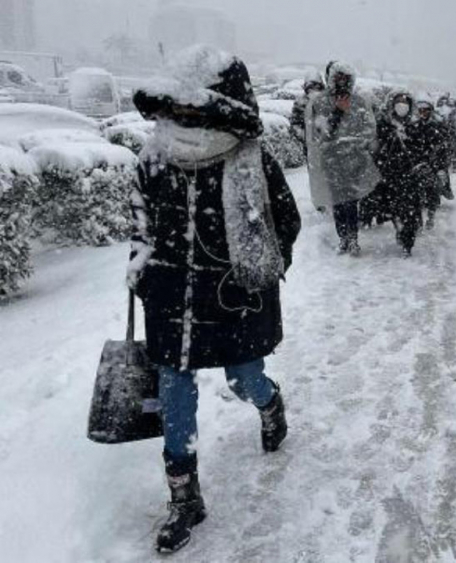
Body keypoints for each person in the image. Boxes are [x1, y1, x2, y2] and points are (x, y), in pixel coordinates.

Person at [129, 45, 301, 554]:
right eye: (177, 108)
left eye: (193, 108)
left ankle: (270, 404)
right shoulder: (154, 157)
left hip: (233, 299)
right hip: (171, 300)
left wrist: (258, 273)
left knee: (243, 378)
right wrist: (142, 271)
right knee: (174, 391)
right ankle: (184, 497)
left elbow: (284, 223)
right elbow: (140, 224)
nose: (183, 117)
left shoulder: (249, 159)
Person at [305, 61, 379, 256]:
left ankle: (353, 239)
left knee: (351, 201)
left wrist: (358, 144)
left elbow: (369, 129)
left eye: (346, 79)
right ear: (330, 79)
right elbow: (321, 132)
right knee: (337, 201)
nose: (342, 82)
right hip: (332, 160)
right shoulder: (320, 102)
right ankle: (343, 238)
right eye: (338, 78)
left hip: (354, 160)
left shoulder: (360, 102)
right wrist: (338, 112)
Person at [374, 90, 423, 255]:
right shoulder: (384, 123)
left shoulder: (416, 125)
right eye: (398, 102)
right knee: (393, 208)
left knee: (410, 210)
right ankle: (399, 227)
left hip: (410, 174)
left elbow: (421, 149)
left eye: (405, 102)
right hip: (390, 174)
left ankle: (407, 240)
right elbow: (378, 148)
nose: (402, 105)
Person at [410, 95, 451, 229]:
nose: (423, 113)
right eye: (420, 110)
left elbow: (443, 147)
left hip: (433, 165)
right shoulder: (412, 126)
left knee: (432, 192)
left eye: (426, 110)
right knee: (415, 195)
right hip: (417, 165)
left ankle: (431, 216)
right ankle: (418, 221)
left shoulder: (438, 126)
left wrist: (440, 166)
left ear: (430, 111)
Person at [290, 70, 325, 150]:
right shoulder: (300, 104)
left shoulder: (326, 103)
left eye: (316, 88)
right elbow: (295, 124)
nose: (313, 91)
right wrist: (304, 136)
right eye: (311, 88)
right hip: (307, 145)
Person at [437, 94, 456, 172]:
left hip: (451, 134)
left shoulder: (446, 112)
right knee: (453, 150)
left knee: (451, 150)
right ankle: (453, 166)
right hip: (452, 134)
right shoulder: (448, 113)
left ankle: (453, 165)